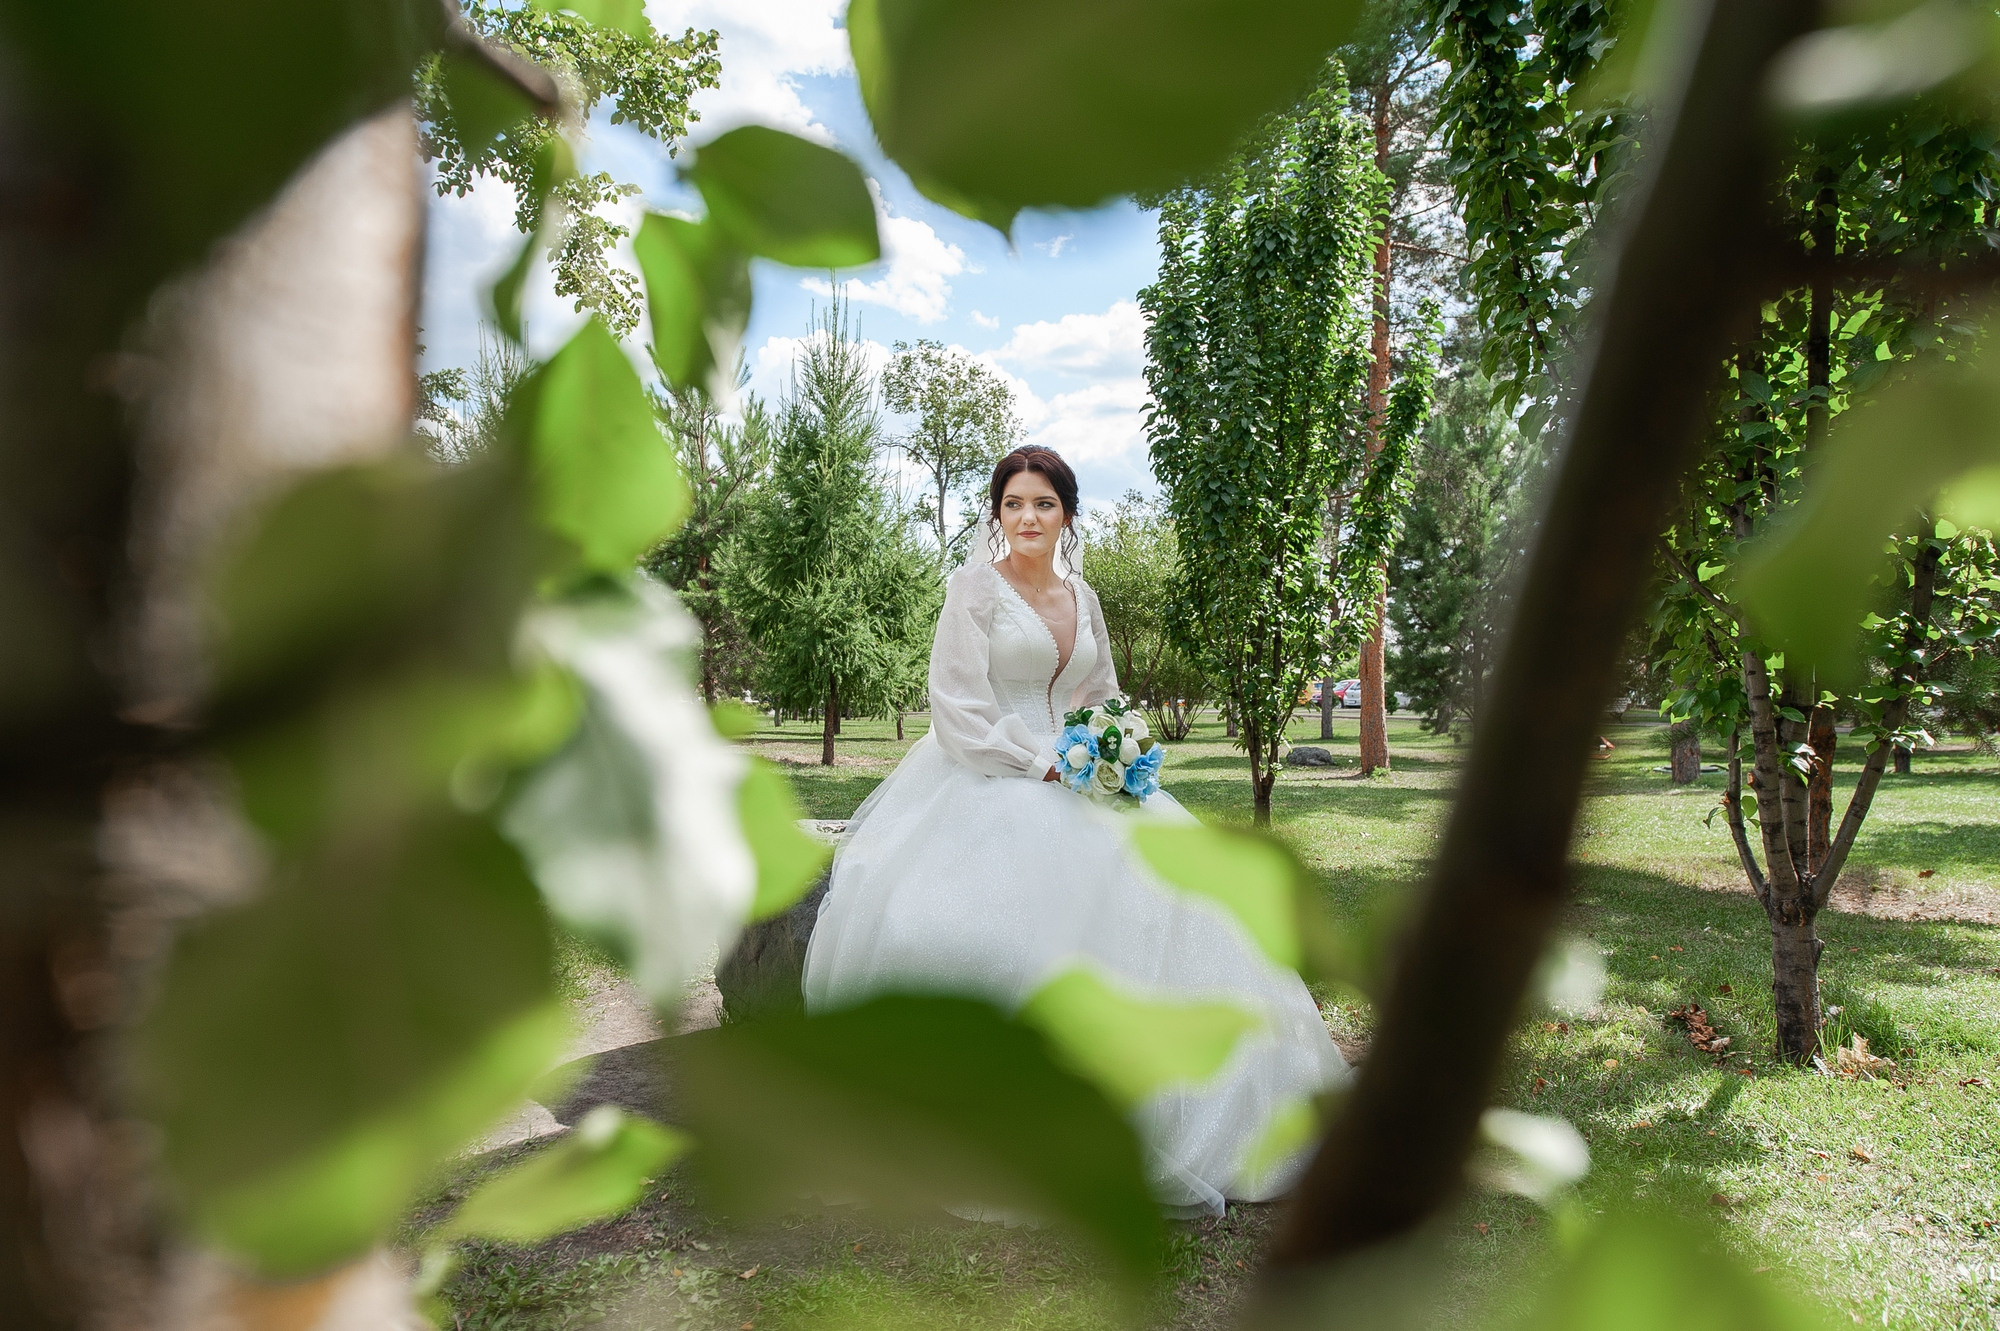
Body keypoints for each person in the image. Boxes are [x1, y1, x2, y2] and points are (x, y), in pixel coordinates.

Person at [801, 445, 1347, 1215]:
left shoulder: (1081, 595)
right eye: (1013, 502)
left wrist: (1116, 748)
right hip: (991, 771)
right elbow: (957, 706)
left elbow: (1103, 694)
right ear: (997, 513)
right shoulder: (973, 589)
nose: (1027, 516)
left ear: (1066, 513)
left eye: (1043, 503)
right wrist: (1042, 763)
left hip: (1087, 772)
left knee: (1185, 902)